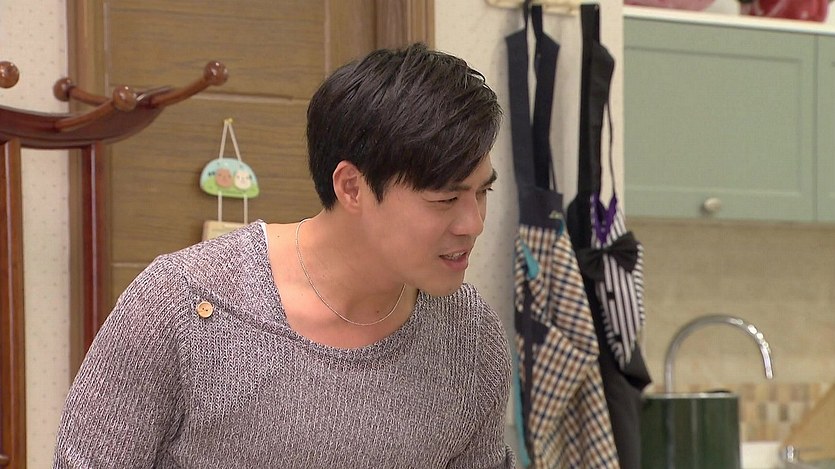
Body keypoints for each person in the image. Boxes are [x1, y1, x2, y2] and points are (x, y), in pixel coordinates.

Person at [53, 43, 515, 468]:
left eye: (482, 193)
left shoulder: (470, 338)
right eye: (445, 199)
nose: (473, 223)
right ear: (352, 187)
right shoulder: (184, 303)